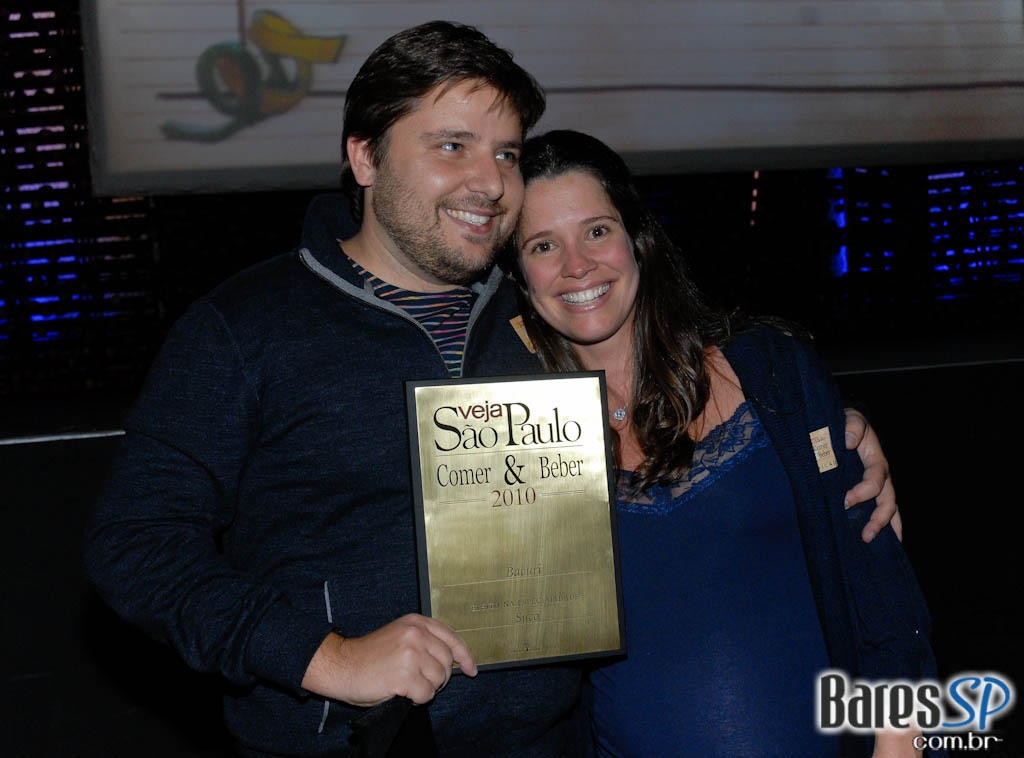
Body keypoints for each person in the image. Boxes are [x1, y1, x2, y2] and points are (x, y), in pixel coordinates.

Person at [85, 22, 901, 758]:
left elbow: (678, 403)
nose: (490, 183)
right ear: (364, 158)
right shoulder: (245, 328)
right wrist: (325, 658)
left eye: (506, 153)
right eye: (452, 147)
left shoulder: (539, 315)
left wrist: (832, 432)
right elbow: (134, 545)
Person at [501, 130, 938, 758]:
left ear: (637, 239)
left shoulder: (771, 372)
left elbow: (879, 584)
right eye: (544, 245)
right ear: (519, 274)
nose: (577, 265)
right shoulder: (510, 445)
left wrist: (900, 742)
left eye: (597, 231)